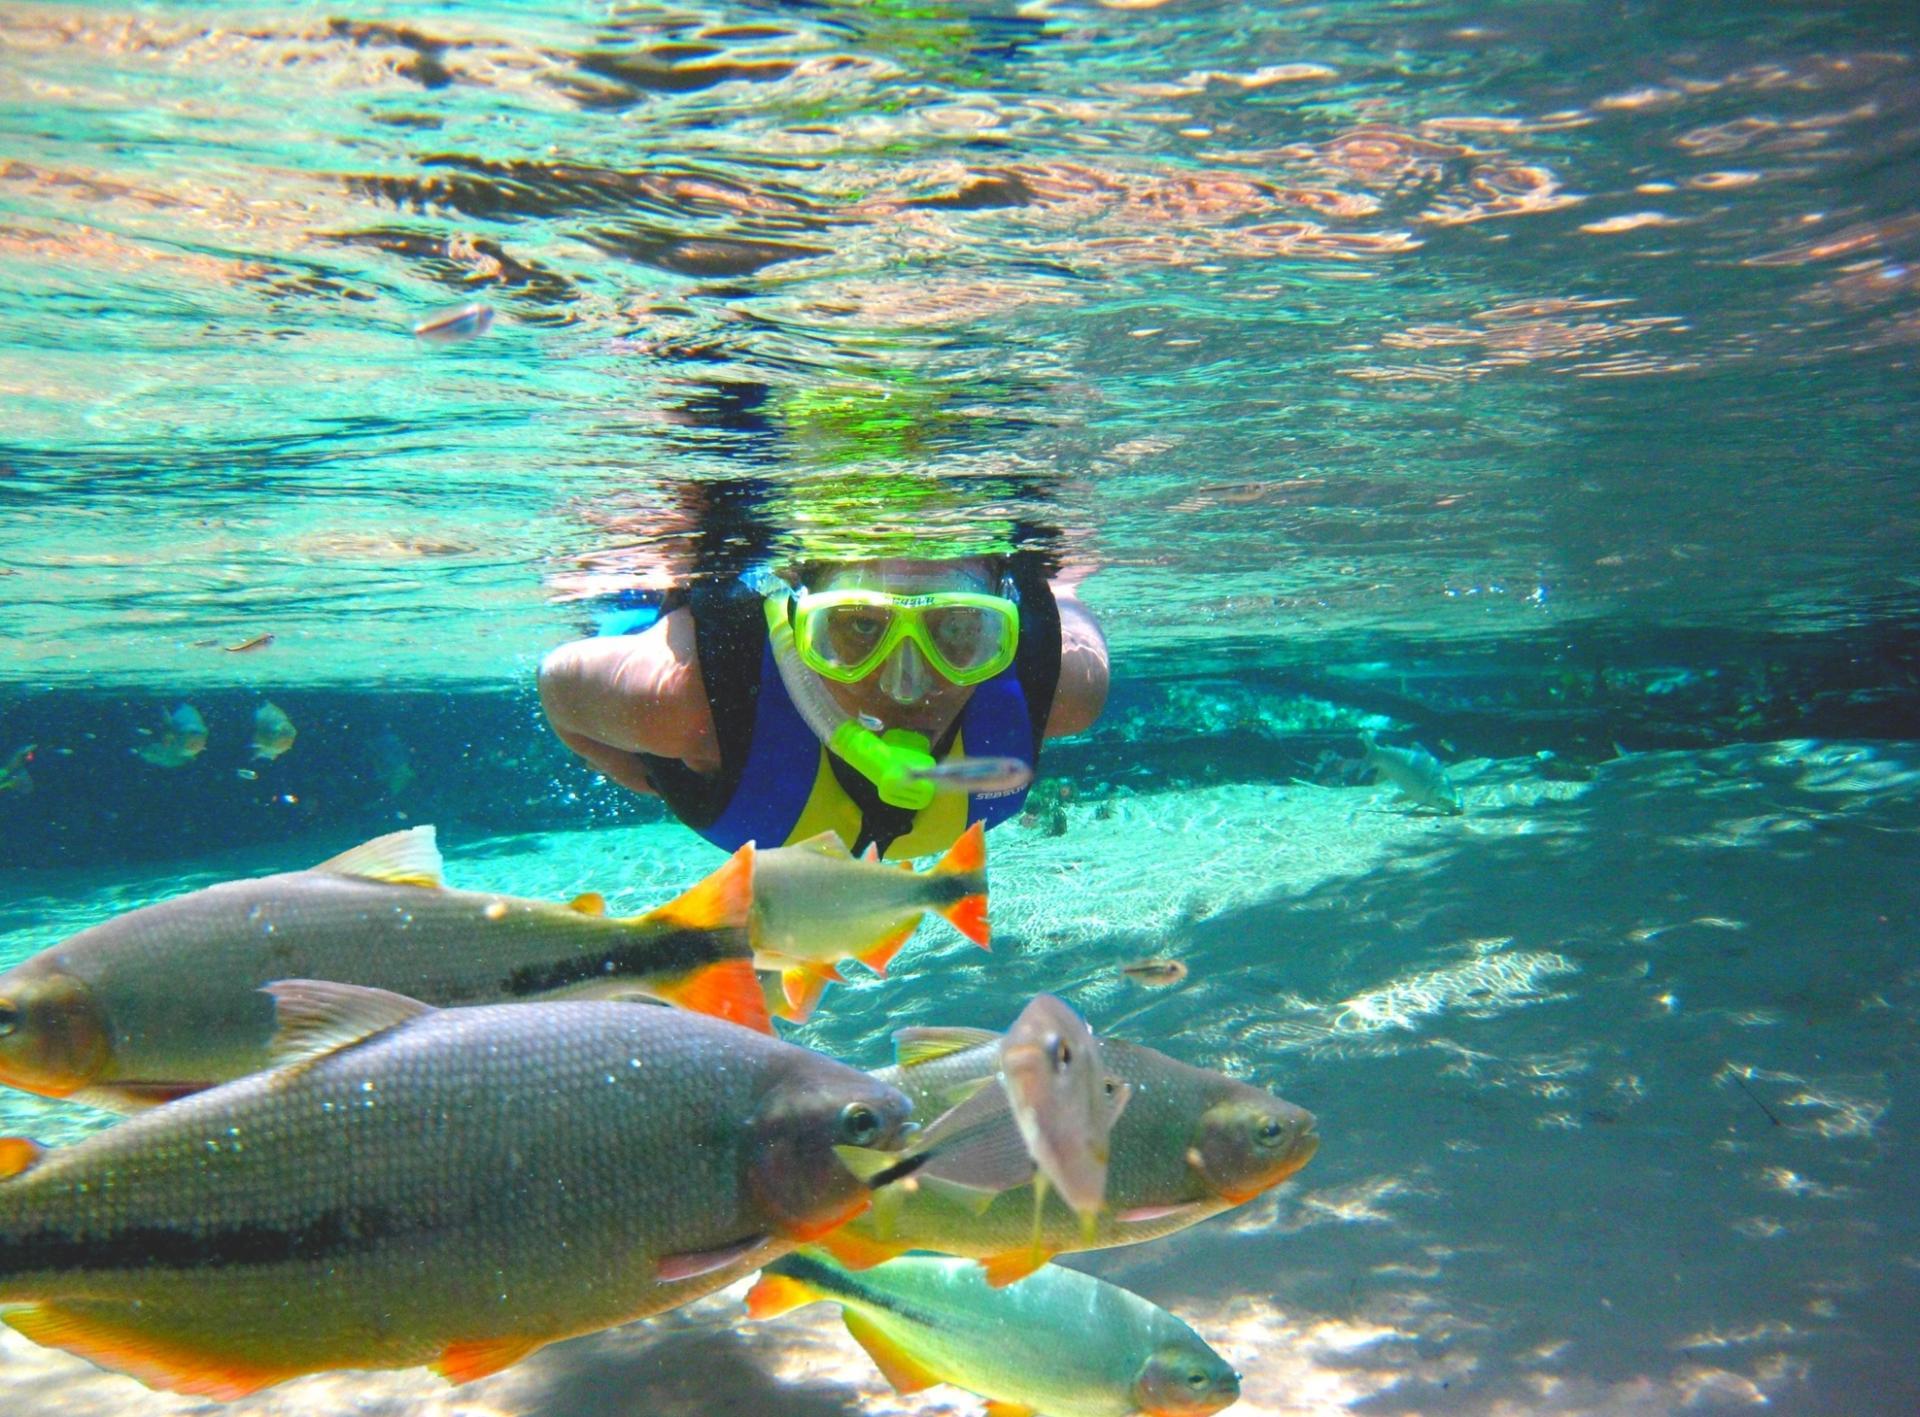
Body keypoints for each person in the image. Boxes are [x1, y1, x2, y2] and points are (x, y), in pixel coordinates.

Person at [539, 555, 1108, 859]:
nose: (906, 686)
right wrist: (654, 778)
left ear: (999, 627)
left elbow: (1065, 600)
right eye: (859, 626)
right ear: (798, 620)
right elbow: (557, 692)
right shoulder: (679, 701)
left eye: (957, 627)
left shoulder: (1069, 689)